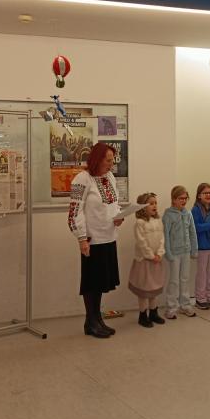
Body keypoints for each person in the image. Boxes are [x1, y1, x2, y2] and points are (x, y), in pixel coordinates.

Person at [67, 142, 124, 338]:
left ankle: (96, 319)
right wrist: (81, 238)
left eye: (112, 160)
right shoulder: (81, 179)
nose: (111, 164)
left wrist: (118, 216)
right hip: (92, 239)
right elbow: (75, 211)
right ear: (97, 159)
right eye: (108, 160)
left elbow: (114, 203)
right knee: (91, 282)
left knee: (101, 282)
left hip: (108, 236)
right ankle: (91, 321)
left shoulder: (109, 177)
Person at [129, 192, 166, 327]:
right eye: (151, 203)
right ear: (142, 207)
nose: (154, 205)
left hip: (156, 260)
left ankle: (153, 312)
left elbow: (162, 239)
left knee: (153, 289)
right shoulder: (140, 223)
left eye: (155, 203)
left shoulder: (158, 221)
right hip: (144, 261)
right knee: (144, 291)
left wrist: (160, 254)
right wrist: (151, 255)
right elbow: (142, 242)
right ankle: (143, 315)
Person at [162, 185, 198, 319]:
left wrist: (194, 249)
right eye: (180, 198)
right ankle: (171, 307)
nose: (183, 201)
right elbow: (165, 235)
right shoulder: (168, 215)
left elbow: (192, 232)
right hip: (174, 253)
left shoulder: (188, 214)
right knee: (174, 281)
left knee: (185, 279)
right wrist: (168, 253)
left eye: (185, 198)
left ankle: (185, 305)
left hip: (186, 252)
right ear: (173, 199)